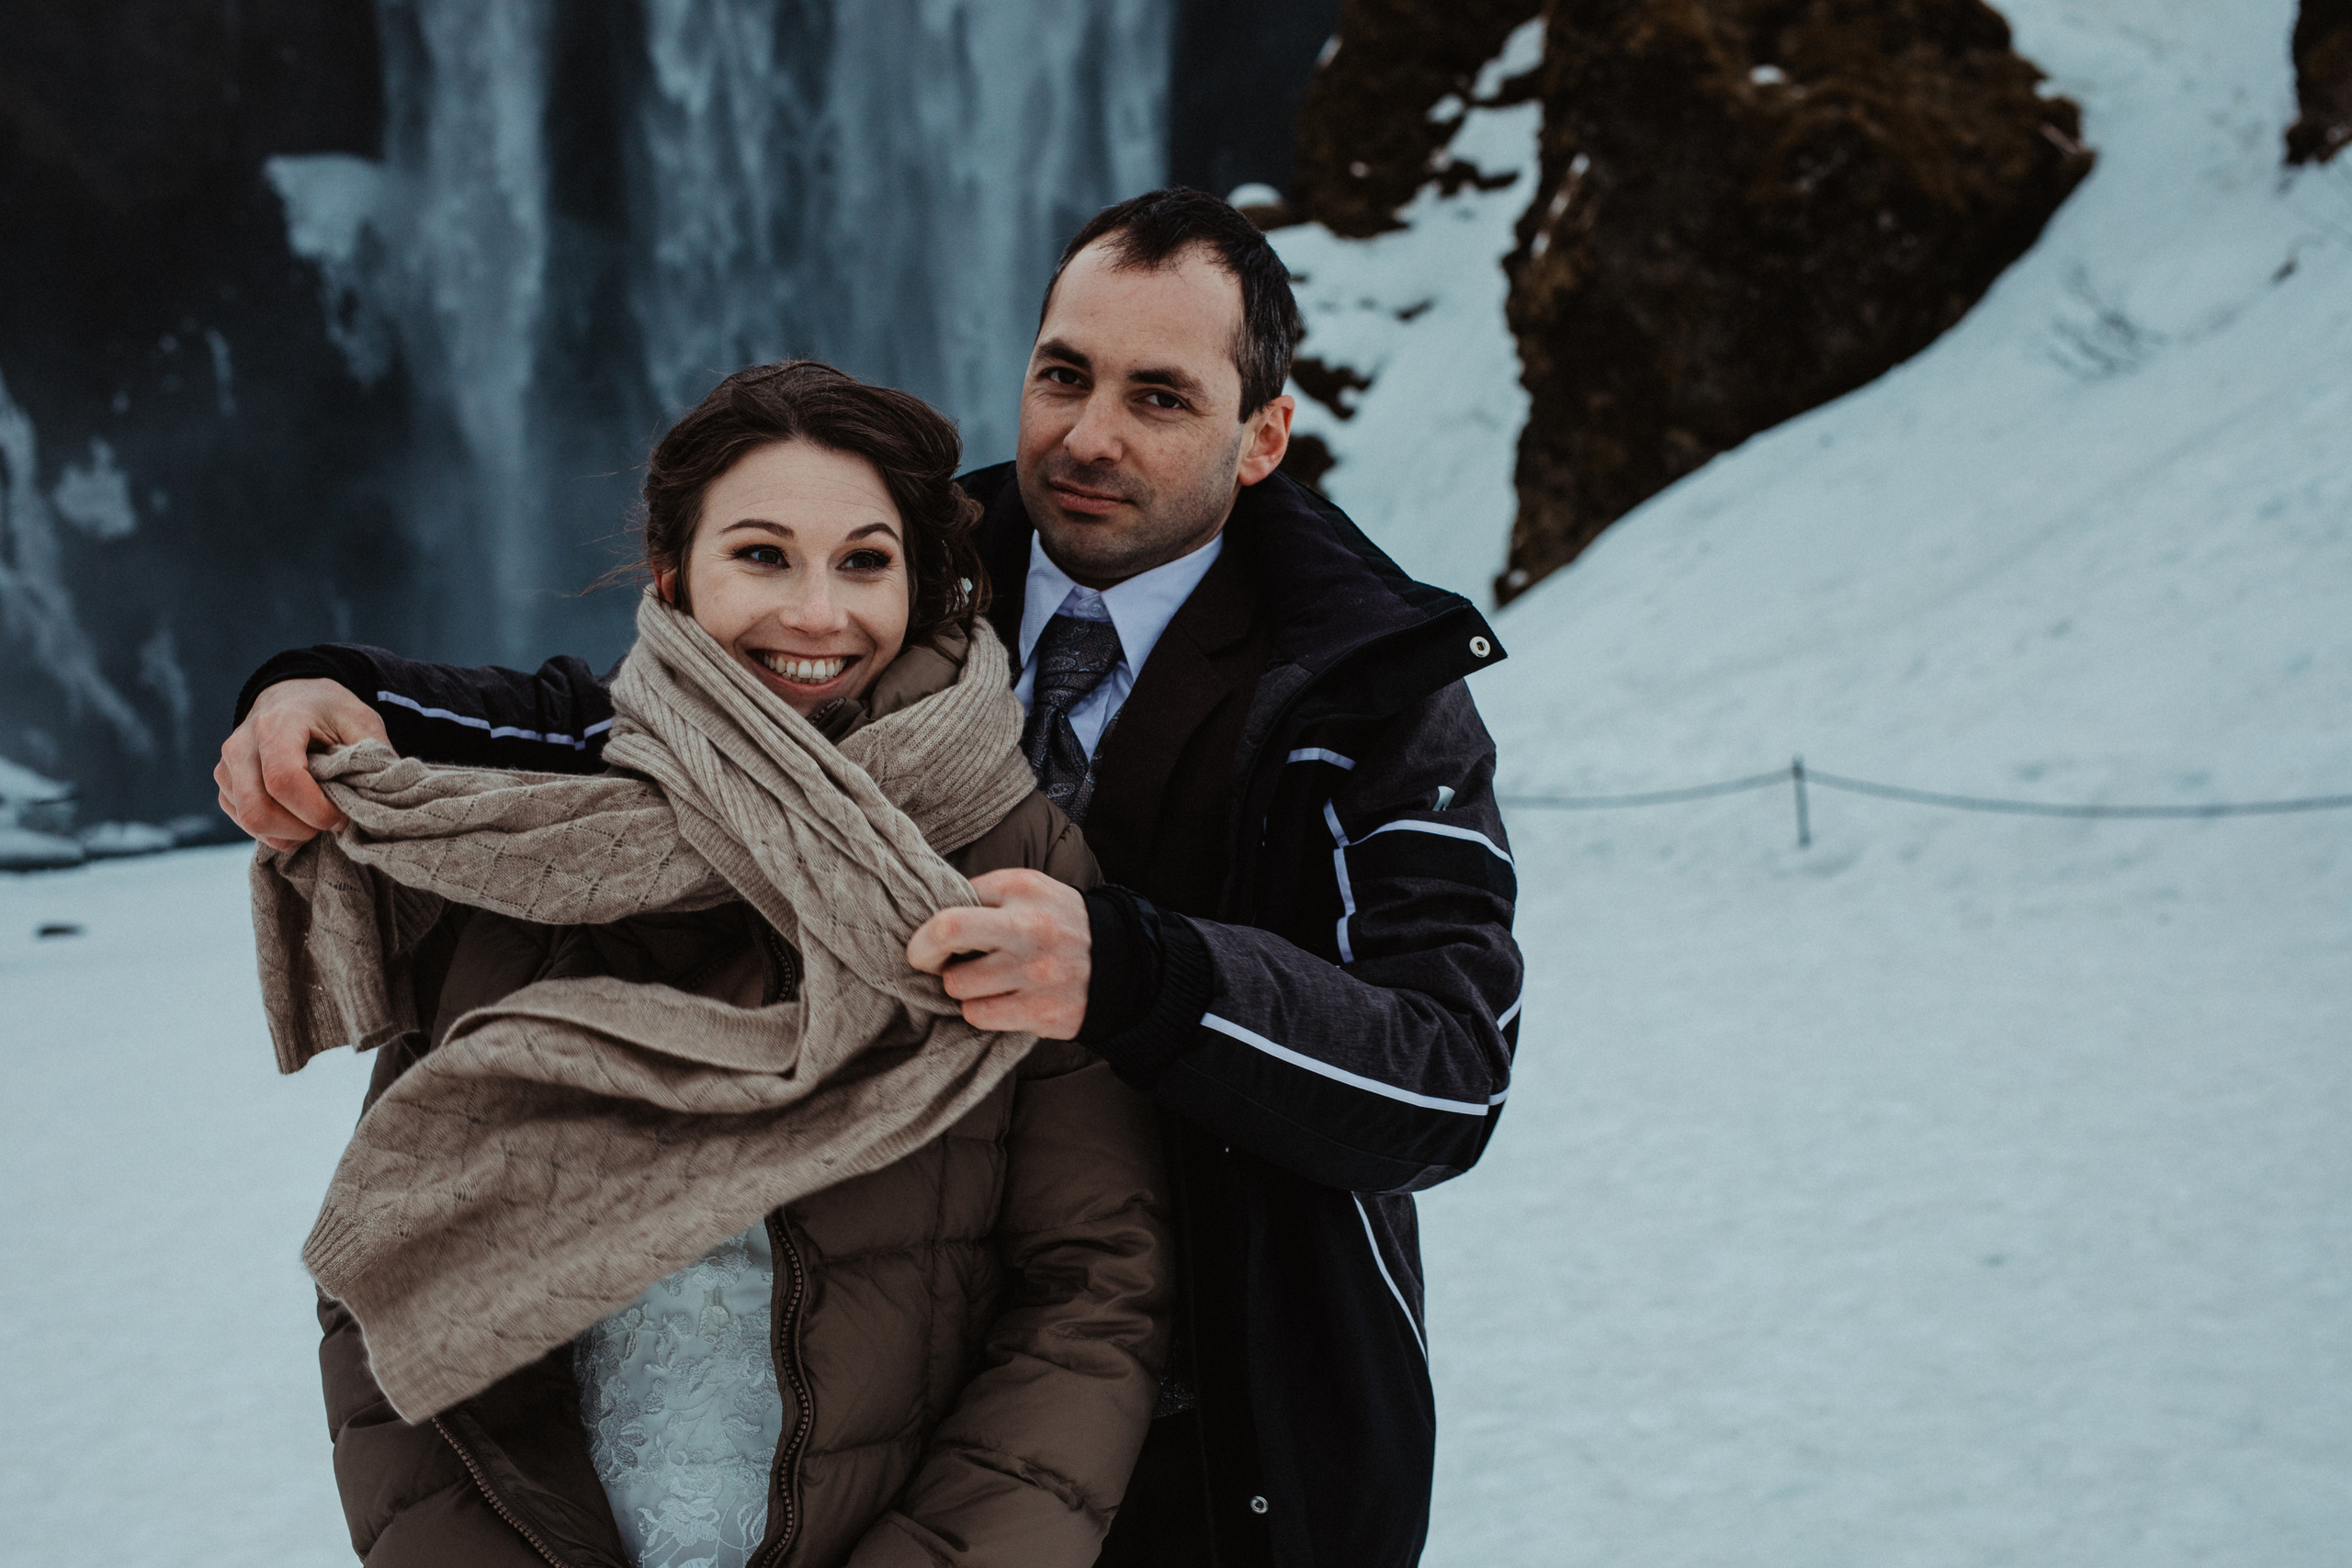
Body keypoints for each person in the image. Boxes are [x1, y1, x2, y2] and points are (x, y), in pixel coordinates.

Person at [221, 188, 1524, 1568]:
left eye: (1159, 397)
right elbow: (653, 717)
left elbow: (1448, 1073)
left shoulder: (1369, 694)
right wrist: (338, 688)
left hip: (1231, 1425)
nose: (1088, 436)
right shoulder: (903, 564)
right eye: (1063, 374)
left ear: (1263, 435)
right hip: (889, 1413)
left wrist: (1143, 975)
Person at [267, 362, 1170, 1567]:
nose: (814, 614)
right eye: (761, 555)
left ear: (920, 583)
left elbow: (1094, 1281)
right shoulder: (541, 845)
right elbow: (390, 1260)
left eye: (863, 561)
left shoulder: (1008, 850)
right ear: (672, 576)